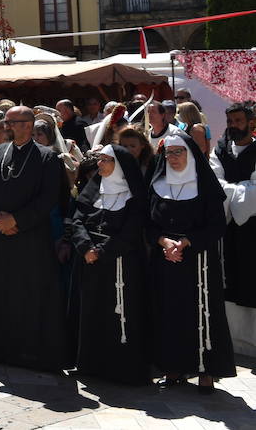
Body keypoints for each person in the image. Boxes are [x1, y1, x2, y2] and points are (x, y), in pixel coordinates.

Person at [0, 106, 68, 372]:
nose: (8, 126)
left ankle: (29, 353)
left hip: (30, 238)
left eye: (13, 122)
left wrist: (16, 220)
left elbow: (49, 198)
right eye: (7, 122)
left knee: (28, 295)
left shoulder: (48, 157)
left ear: (28, 124)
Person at [147, 132, 235, 390]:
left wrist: (186, 241)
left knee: (203, 314)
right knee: (170, 313)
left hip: (199, 262)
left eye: (179, 152)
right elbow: (147, 224)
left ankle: (207, 369)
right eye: (169, 153)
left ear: (191, 154)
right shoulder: (157, 184)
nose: (173, 158)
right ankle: (173, 368)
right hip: (165, 260)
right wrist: (164, 242)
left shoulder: (205, 186)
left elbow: (217, 226)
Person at [65, 144, 149, 384]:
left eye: (105, 161)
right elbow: (77, 220)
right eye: (99, 160)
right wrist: (85, 248)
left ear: (120, 167)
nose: (99, 165)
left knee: (118, 315)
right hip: (90, 262)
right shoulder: (94, 190)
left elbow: (131, 231)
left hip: (120, 264)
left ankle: (119, 367)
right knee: (91, 312)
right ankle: (89, 363)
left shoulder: (133, 197)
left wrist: (100, 252)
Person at [211, 102, 256, 357]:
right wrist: (241, 188)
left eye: (238, 121)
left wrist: (231, 189)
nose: (233, 126)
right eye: (230, 122)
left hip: (253, 228)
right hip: (228, 227)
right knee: (230, 277)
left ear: (250, 123)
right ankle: (234, 341)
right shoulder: (220, 149)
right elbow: (215, 182)